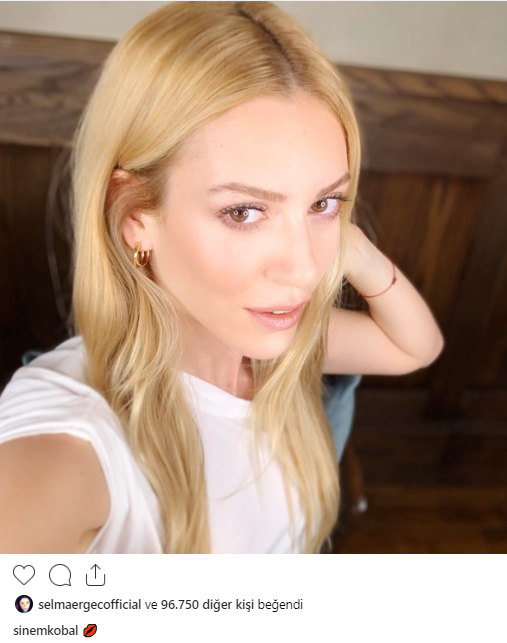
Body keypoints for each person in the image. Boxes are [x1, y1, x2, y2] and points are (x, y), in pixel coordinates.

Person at [0, 2, 443, 554]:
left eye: (325, 201)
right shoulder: (70, 447)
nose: (306, 268)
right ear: (135, 216)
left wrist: (348, 241)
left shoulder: (268, 341)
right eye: (244, 212)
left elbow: (415, 347)